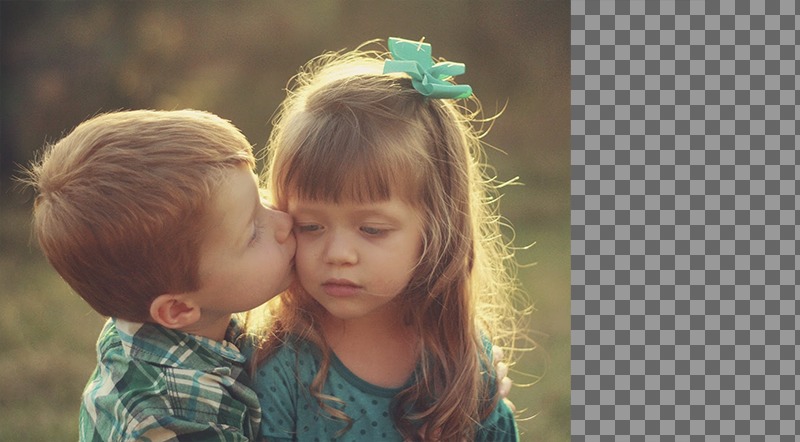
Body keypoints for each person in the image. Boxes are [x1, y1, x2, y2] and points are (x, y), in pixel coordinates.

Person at [250, 37, 526, 441]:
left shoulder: (461, 357)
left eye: (371, 229)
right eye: (311, 226)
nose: (338, 254)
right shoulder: (281, 365)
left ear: (436, 227)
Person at [23, 109, 296, 441]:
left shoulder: (157, 326)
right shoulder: (172, 419)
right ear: (178, 309)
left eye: (262, 198)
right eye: (253, 233)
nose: (283, 222)